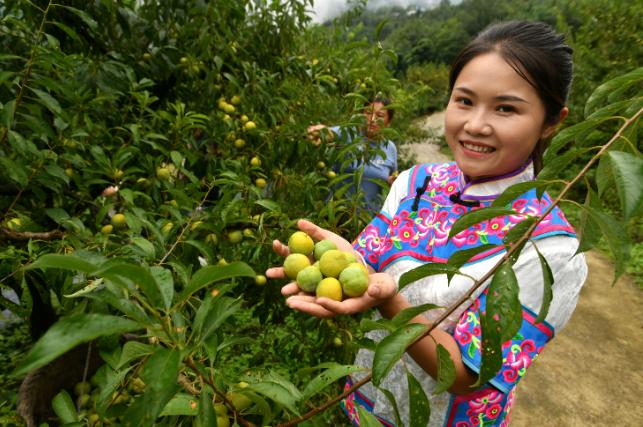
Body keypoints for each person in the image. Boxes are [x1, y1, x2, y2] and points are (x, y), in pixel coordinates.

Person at [267, 21, 588, 427]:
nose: (475, 124)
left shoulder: (550, 247)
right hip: (365, 406)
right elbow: (364, 262)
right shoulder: (416, 182)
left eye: (506, 108)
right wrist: (339, 260)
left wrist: (390, 302)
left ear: (551, 121)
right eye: (465, 101)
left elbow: (470, 375)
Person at [308, 98, 398, 213]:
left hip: (370, 221)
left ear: (388, 122)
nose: (372, 119)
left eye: (380, 115)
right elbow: (327, 132)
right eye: (368, 113)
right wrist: (317, 131)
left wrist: (392, 181)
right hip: (337, 216)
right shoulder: (348, 134)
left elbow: (393, 177)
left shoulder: (390, 148)